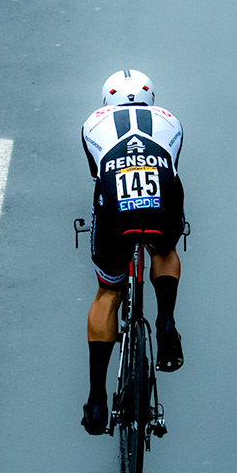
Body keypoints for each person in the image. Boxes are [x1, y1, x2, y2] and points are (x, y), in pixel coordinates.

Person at [80, 69, 185, 435]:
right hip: (160, 199)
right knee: (163, 249)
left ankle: (97, 398)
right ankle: (166, 321)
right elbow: (171, 167)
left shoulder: (92, 122)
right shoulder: (171, 119)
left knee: (108, 290)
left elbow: (97, 175)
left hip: (116, 207)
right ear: (151, 98)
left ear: (106, 100)